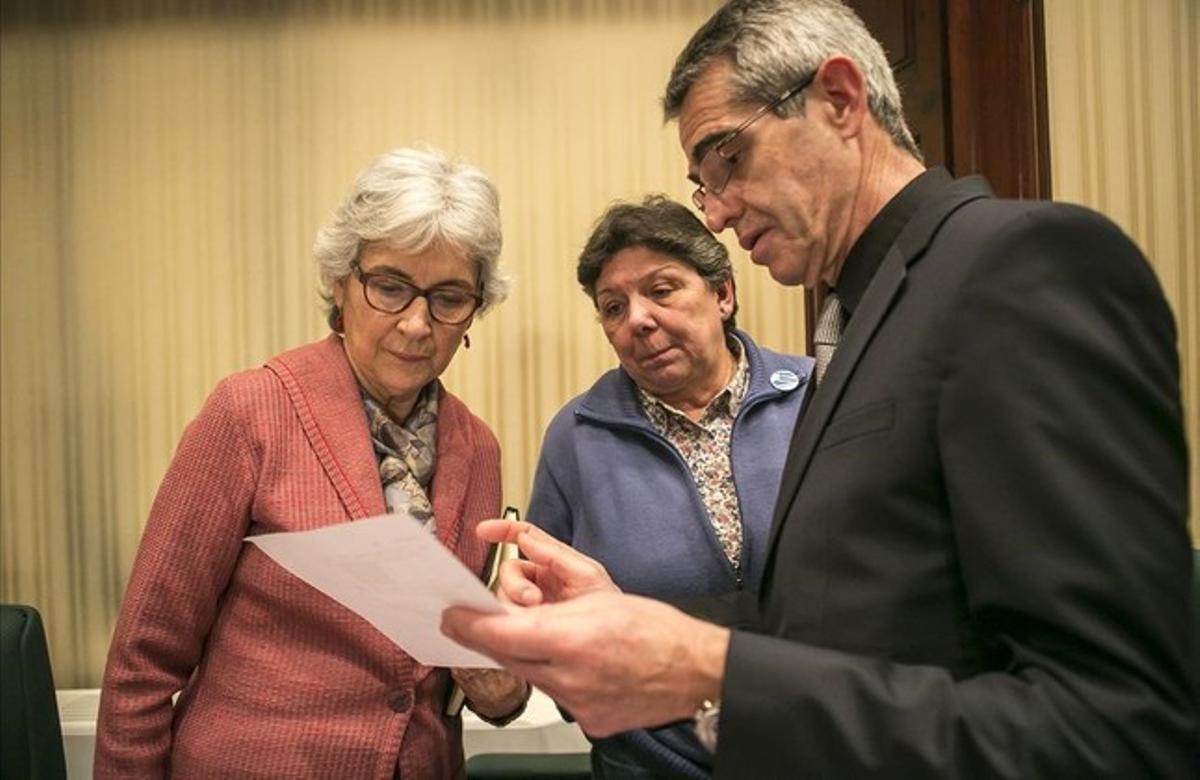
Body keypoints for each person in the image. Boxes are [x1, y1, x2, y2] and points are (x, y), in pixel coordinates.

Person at [442, 1, 1198, 776]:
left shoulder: (1023, 267)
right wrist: (618, 615)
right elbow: (833, 619)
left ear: (839, 99)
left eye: (728, 158)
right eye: (704, 183)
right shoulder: (859, 318)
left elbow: (1118, 728)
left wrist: (713, 669)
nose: (722, 210)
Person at [95, 146, 529, 778]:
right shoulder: (250, 412)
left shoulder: (477, 447)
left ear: (474, 311)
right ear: (339, 282)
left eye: (449, 297)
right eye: (389, 287)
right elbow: (144, 659)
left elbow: (460, 681)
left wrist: (504, 691)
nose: (416, 324)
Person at [528, 195, 811, 777]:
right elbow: (550, 630)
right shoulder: (575, 437)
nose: (637, 320)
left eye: (661, 290)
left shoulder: (817, 397)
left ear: (723, 294)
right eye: (613, 307)